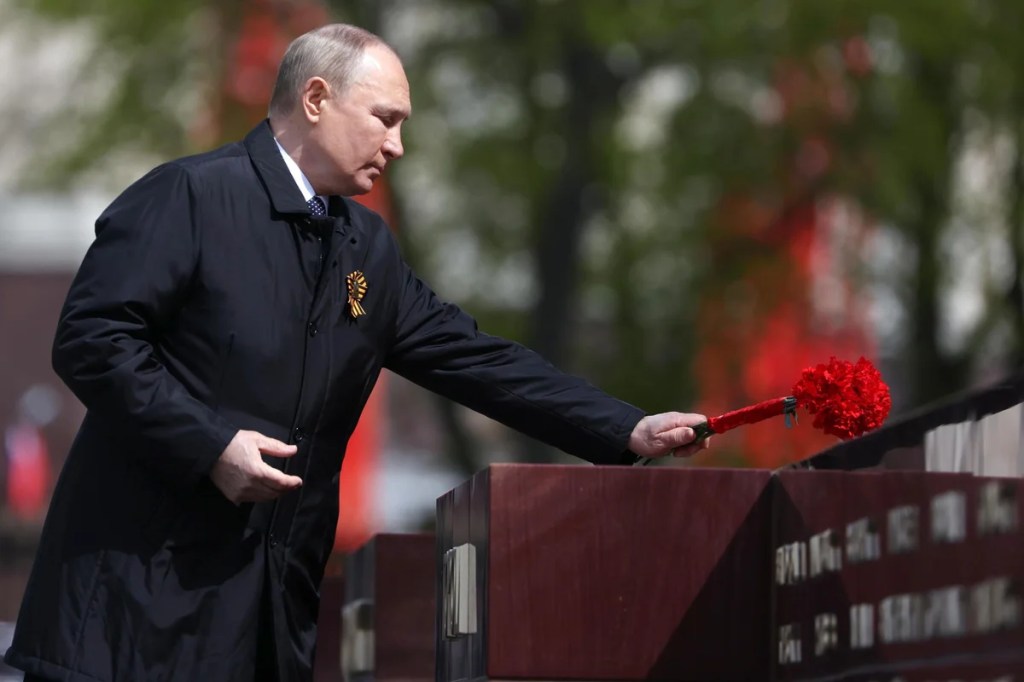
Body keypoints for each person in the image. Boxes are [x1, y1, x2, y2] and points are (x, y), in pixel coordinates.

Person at [4, 23, 709, 682]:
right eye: (385, 119)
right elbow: (93, 338)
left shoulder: (366, 247)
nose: (397, 146)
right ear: (316, 99)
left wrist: (624, 427)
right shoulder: (191, 196)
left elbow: (473, 358)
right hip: (130, 617)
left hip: (266, 624)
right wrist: (209, 445)